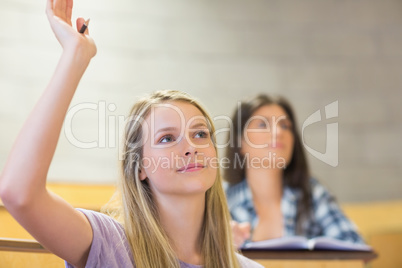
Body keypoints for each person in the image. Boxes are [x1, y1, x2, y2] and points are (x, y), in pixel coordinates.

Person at [0, 1, 263, 267]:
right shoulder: (108, 244)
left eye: (200, 134)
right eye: (167, 138)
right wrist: (75, 56)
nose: (191, 147)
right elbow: (19, 193)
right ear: (140, 169)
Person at [224, 94, 365, 248]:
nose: (278, 132)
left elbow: (356, 250)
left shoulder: (312, 193)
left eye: (285, 126)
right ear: (239, 142)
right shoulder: (221, 199)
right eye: (263, 125)